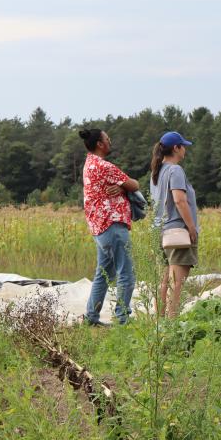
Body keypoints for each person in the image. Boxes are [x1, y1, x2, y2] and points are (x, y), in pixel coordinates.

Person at [79, 128, 140, 326]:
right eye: (107, 139)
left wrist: (121, 187)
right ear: (100, 144)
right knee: (126, 273)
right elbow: (135, 184)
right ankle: (122, 318)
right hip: (112, 225)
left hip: (99, 227)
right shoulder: (105, 166)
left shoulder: (89, 164)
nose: (110, 141)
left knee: (103, 274)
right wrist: (124, 186)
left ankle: (92, 317)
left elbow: (124, 185)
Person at [149, 131, 197, 318]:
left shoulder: (157, 171)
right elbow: (179, 200)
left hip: (159, 231)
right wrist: (191, 227)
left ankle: (160, 322)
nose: (185, 149)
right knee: (176, 282)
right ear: (176, 148)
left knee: (164, 281)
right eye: (183, 146)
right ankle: (172, 323)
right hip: (177, 232)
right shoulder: (175, 170)